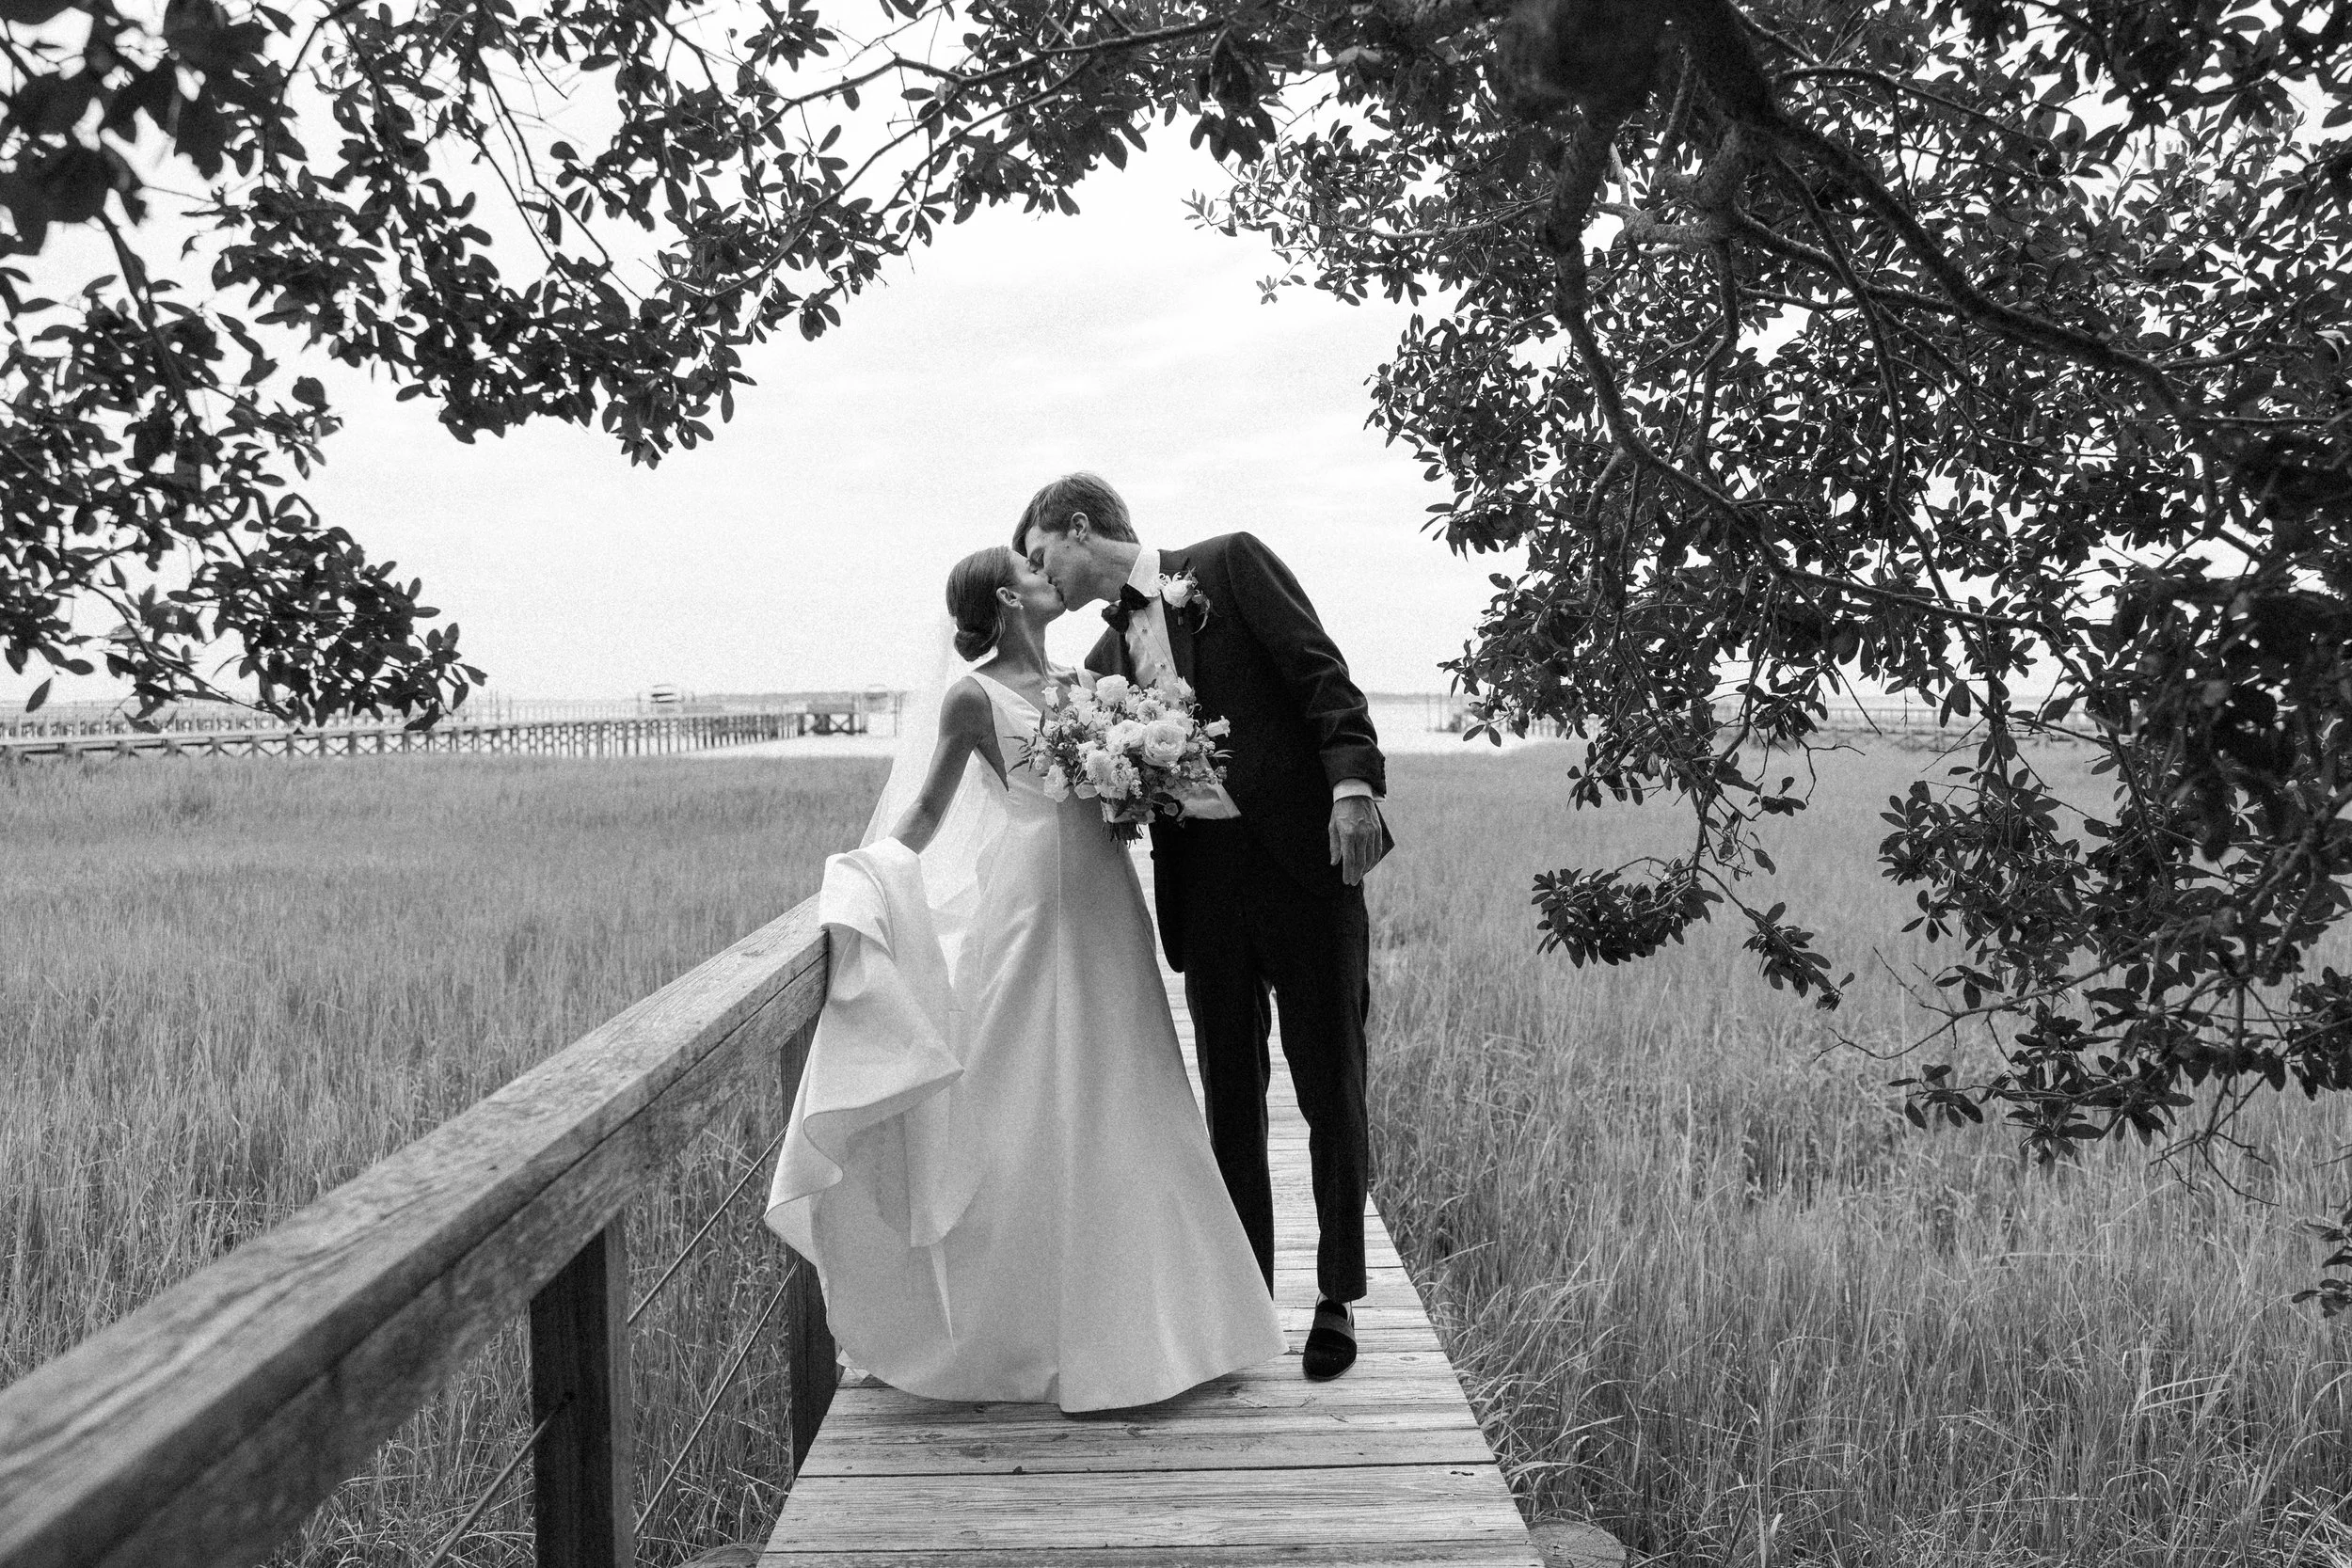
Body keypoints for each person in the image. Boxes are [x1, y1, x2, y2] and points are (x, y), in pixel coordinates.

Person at [765, 545, 1284, 1414]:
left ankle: (1169, 1325)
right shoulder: (973, 696)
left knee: (1130, 1092)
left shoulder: (1087, 685)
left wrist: (1144, 776)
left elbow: (1122, 799)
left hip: (1106, 906)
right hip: (1027, 905)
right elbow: (928, 809)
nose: (1048, 570)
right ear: (1010, 596)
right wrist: (865, 874)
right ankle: (1004, 1323)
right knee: (1017, 1096)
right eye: (1031, 566)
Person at [1014, 473, 1390, 1382]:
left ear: (1078, 527)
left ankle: (1336, 1295)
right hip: (1206, 893)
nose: (1037, 575)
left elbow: (1319, 672)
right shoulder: (1104, 656)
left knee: (1330, 1082)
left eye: (1038, 556)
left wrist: (1353, 785)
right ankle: (1245, 1293)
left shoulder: (1227, 564)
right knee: (1229, 1096)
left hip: (1303, 874)